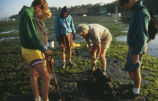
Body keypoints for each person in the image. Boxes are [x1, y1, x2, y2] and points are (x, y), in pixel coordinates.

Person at [18, 0, 52, 101]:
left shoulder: (27, 13)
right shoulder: (28, 15)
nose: (41, 14)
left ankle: (37, 98)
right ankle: (45, 99)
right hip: (32, 50)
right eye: (42, 11)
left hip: (27, 49)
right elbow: (32, 37)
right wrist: (44, 50)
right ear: (38, 6)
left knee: (34, 74)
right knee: (45, 76)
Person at [119, 0, 150, 95]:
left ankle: (136, 92)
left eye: (125, 5)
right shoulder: (135, 11)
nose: (124, 8)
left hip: (137, 47)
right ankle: (135, 85)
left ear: (131, 1)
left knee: (135, 69)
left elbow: (143, 35)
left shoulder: (141, 12)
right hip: (133, 46)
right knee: (130, 67)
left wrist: (137, 53)